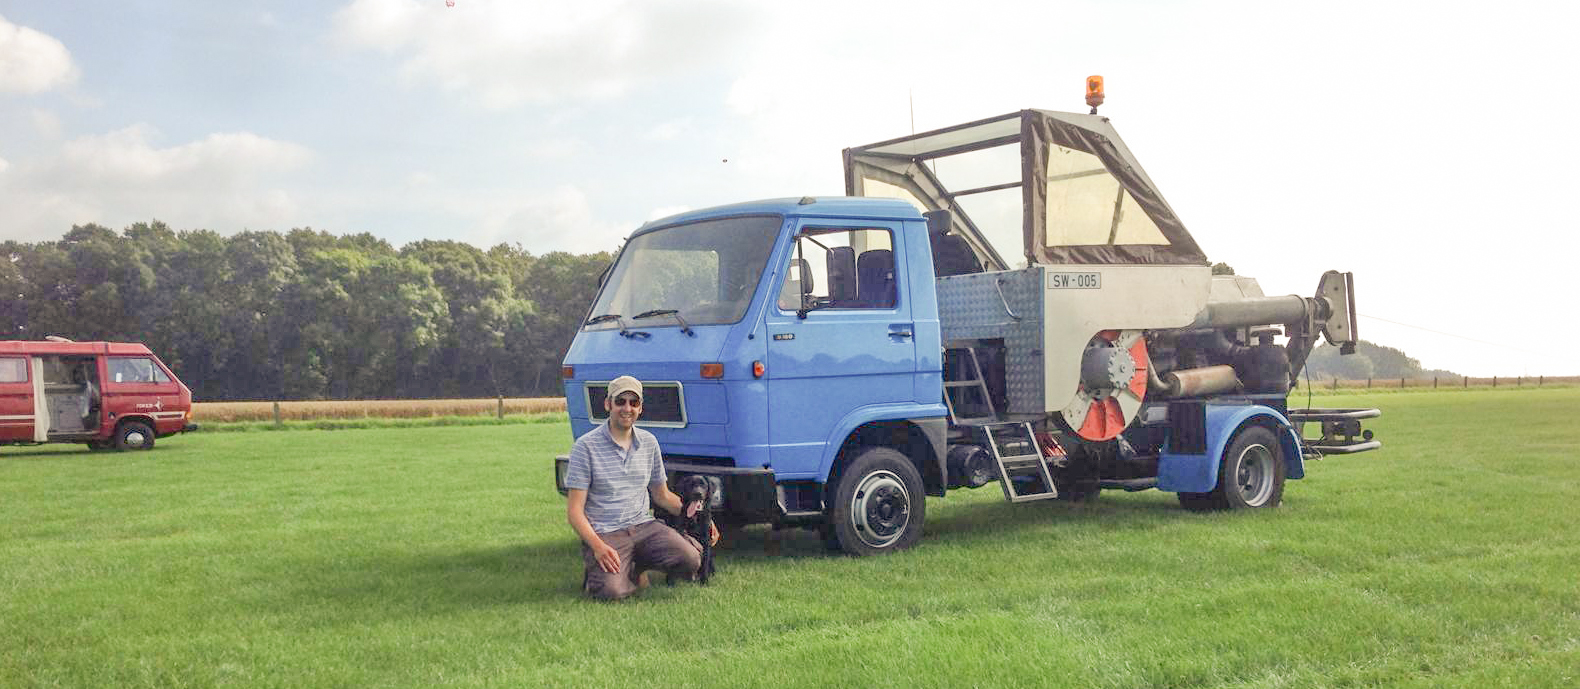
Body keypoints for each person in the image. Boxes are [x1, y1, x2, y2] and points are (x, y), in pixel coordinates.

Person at [563, 375, 719, 600]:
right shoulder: (585, 447)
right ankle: (602, 574)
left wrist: (704, 517)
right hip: (607, 533)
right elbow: (574, 512)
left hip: (644, 526)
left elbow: (662, 496)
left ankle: (636, 566)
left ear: (640, 408)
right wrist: (597, 546)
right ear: (608, 404)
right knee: (612, 592)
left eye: (633, 403)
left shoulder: (649, 443)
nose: (627, 408)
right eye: (620, 401)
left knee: (692, 559)